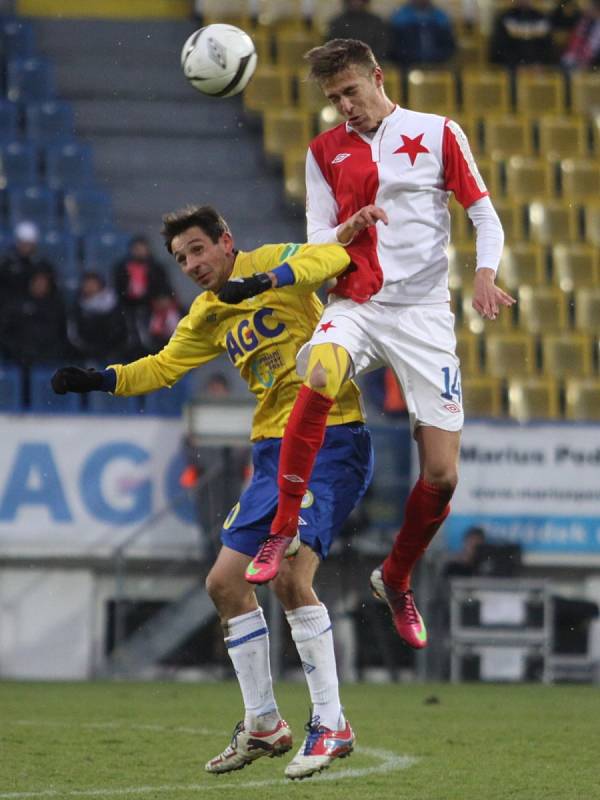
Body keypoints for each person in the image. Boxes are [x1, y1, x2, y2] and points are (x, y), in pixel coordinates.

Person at [50, 205, 373, 780]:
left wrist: (268, 281)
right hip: (273, 452)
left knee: (292, 578)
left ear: (227, 240)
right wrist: (100, 379)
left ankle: (332, 722)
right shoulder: (207, 313)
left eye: (198, 249)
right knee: (223, 583)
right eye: (180, 259)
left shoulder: (273, 261)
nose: (192, 265)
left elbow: (335, 256)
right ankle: (264, 722)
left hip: (331, 437)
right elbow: (162, 367)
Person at [229, 39, 513, 652]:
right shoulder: (322, 151)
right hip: (357, 303)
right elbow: (313, 245)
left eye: (350, 93)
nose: (344, 108)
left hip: (424, 315)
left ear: (377, 78)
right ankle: (282, 526)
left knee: (441, 475)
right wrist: (346, 229)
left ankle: (397, 575)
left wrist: (486, 273)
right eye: (334, 100)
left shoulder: (437, 133)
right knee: (322, 372)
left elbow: (483, 215)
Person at [67, 272, 128, 364]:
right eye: (87, 284)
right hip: (88, 357)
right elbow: (74, 335)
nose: (90, 287)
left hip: (114, 355)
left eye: (93, 284)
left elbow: (123, 329)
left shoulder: (115, 304)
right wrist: (90, 350)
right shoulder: (77, 307)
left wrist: (114, 349)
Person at [0, 221, 56, 312]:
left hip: (37, 312)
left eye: (29, 243)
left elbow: (51, 292)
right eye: (23, 243)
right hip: (11, 312)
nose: (26, 247)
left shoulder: (43, 266)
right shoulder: (6, 265)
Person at [489, 0, 556, 68]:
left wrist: (540, 63)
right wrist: (514, 64)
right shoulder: (505, 18)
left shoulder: (541, 18)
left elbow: (548, 47)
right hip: (510, 66)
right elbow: (499, 48)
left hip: (538, 68)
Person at [388, 0, 456, 66]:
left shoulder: (441, 17)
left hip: (438, 67)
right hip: (407, 66)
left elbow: (449, 48)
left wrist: (433, 57)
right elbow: (396, 49)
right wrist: (414, 57)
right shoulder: (400, 18)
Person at [561, 0, 600, 69]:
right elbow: (576, 38)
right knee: (567, 61)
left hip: (593, 58)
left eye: (593, 9)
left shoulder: (597, 24)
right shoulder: (584, 20)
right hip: (575, 55)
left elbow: (594, 45)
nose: (590, 10)